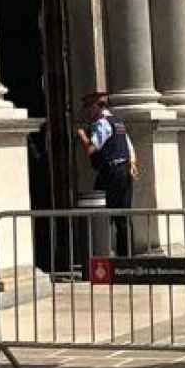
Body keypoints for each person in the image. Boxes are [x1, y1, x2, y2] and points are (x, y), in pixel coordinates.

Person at [77, 91, 138, 254]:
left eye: (89, 107)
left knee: (102, 215)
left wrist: (82, 135)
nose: (87, 112)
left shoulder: (101, 123)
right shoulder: (118, 122)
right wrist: (132, 164)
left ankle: (103, 253)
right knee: (123, 216)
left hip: (111, 173)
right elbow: (129, 146)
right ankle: (127, 257)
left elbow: (91, 148)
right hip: (124, 170)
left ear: (97, 106)